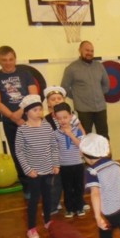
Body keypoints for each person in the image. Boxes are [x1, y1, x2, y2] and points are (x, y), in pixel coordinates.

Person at [0, 46, 38, 196]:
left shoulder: (25, 74)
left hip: (30, 119)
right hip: (10, 122)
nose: (8, 63)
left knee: (36, 151)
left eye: (11, 59)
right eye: (4, 60)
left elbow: (33, 96)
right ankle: (27, 187)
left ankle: (40, 183)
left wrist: (20, 113)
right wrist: (12, 117)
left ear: (15, 59)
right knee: (18, 155)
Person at [15, 95, 60, 238]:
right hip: (34, 173)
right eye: (35, 110)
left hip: (48, 170)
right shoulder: (22, 130)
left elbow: (54, 146)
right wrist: (28, 170)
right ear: (26, 112)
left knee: (48, 196)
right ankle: (31, 228)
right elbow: (19, 152)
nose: (39, 112)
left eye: (40, 109)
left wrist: (55, 164)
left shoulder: (47, 126)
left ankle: (48, 221)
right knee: (34, 200)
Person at [61, 41, 110, 139]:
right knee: (85, 137)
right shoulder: (71, 68)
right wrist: (77, 97)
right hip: (83, 110)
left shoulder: (99, 66)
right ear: (80, 50)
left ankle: (105, 150)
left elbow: (106, 85)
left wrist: (99, 95)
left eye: (92, 51)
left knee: (104, 136)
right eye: (87, 50)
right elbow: (64, 88)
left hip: (100, 108)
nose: (90, 53)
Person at [53, 102, 87, 218]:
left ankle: (79, 207)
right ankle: (69, 209)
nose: (62, 120)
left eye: (65, 117)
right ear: (55, 118)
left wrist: (70, 134)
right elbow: (55, 150)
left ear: (71, 116)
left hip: (78, 164)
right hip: (64, 165)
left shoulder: (77, 130)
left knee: (79, 187)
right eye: (59, 118)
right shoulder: (55, 134)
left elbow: (81, 145)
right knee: (67, 188)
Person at [43, 85, 69, 214]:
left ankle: (77, 202)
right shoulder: (45, 120)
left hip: (69, 155)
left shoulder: (71, 116)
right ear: (48, 104)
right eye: (53, 99)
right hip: (55, 157)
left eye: (59, 98)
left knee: (72, 180)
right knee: (54, 182)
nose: (56, 101)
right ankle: (53, 204)